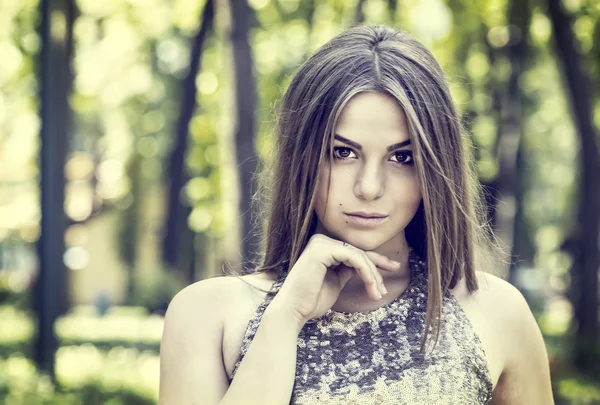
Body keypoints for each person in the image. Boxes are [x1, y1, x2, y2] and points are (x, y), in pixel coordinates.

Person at [158, 25, 554, 404]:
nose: (368, 187)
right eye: (342, 152)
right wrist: (285, 317)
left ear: (435, 169)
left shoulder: (495, 311)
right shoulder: (208, 314)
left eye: (403, 157)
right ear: (302, 157)